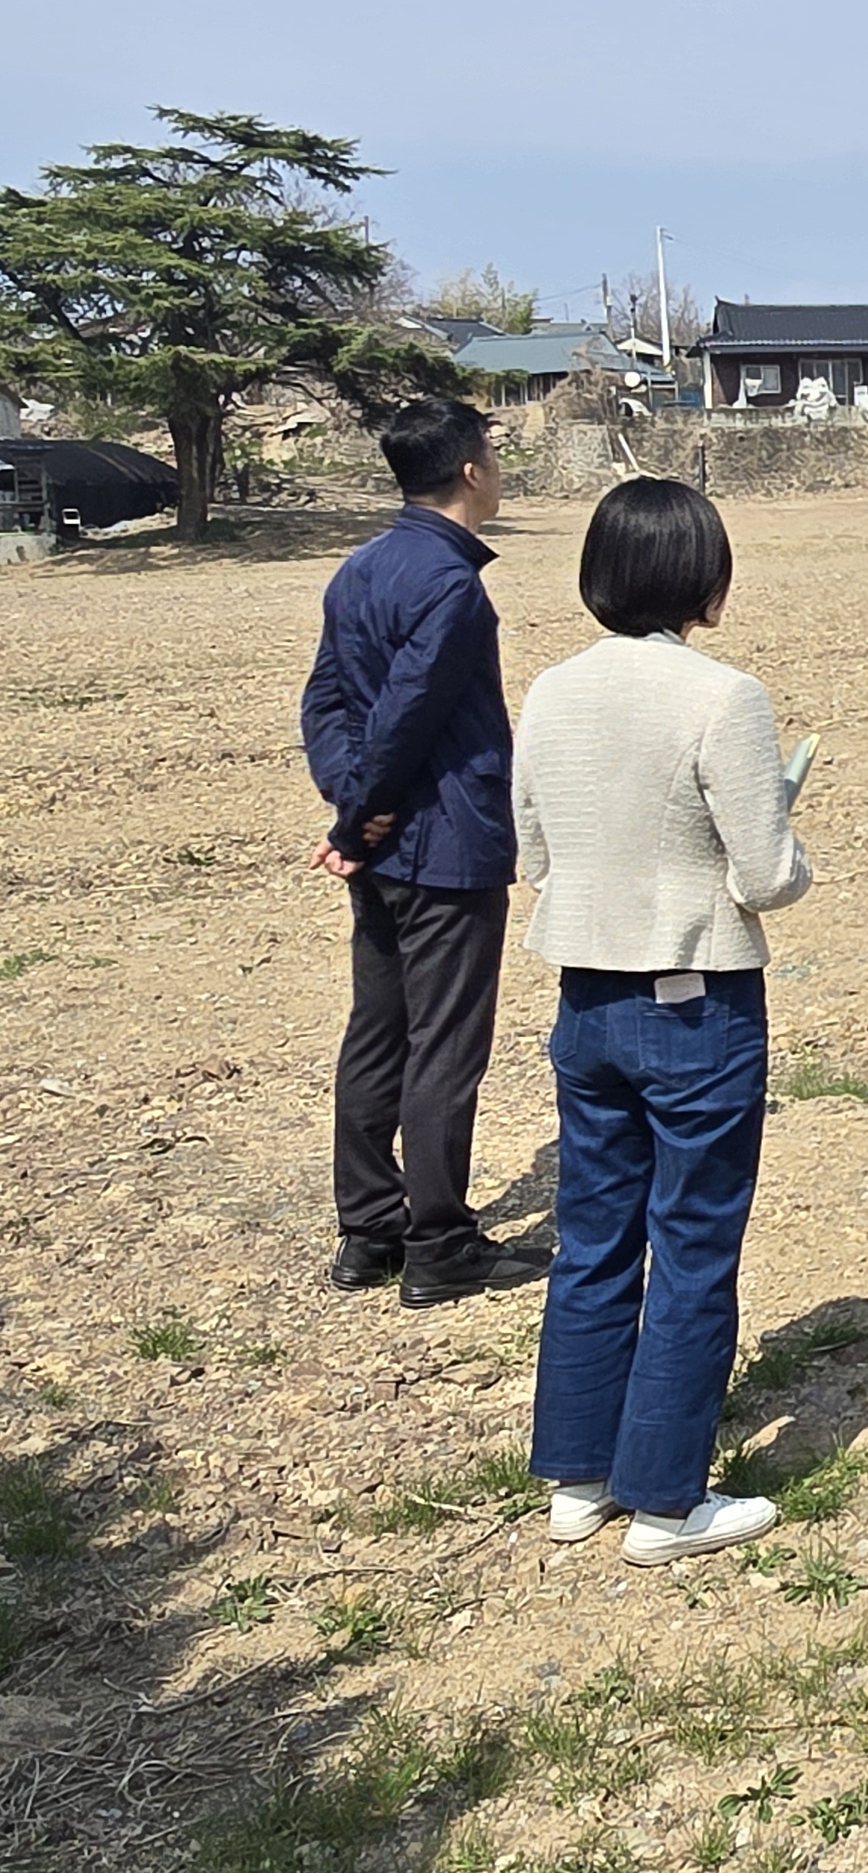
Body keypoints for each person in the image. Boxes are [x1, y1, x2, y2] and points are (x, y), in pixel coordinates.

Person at [514, 479, 811, 1565]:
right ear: (704, 579)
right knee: (692, 1242)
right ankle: (666, 1498)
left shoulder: (550, 689)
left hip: (584, 993)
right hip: (694, 996)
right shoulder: (723, 696)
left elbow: (533, 851)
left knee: (591, 1237)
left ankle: (577, 1477)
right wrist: (787, 822)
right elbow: (767, 875)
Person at [299, 395, 535, 1307]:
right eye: (493, 453)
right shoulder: (451, 587)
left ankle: (368, 1231)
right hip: (441, 839)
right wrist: (361, 816)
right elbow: (407, 715)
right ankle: (439, 1244)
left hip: (383, 841)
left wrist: (352, 810)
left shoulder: (359, 569)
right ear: (472, 471)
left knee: (377, 1032)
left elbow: (325, 705)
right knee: (443, 1043)